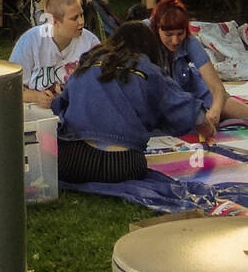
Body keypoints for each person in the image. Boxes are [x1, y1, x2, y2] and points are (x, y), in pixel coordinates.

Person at [52, 22, 214, 183]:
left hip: (71, 161)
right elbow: (188, 111)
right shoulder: (149, 71)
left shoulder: (88, 64)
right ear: (150, 48)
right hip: (120, 165)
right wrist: (209, 132)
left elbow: (59, 105)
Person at [149, 0, 248, 127]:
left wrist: (215, 111)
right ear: (157, 28)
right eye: (168, 35)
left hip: (191, 89)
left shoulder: (190, 42)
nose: (175, 41)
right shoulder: (144, 37)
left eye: (180, 34)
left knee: (239, 111)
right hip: (158, 98)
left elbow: (216, 86)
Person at [9, 0, 100, 108]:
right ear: (55, 22)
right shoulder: (30, 41)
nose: (81, 21)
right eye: (74, 18)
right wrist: (36, 97)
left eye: (81, 15)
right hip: (37, 110)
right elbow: (11, 87)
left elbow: (102, 82)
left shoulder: (90, 41)